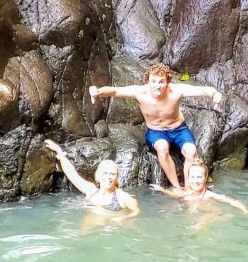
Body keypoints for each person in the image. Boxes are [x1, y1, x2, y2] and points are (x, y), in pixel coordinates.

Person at [89, 63, 223, 192]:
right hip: (156, 131)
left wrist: (215, 95)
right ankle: (177, 187)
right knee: (162, 148)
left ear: (167, 82)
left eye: (161, 82)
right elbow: (114, 91)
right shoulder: (140, 92)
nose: (157, 86)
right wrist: (98, 91)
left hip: (179, 129)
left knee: (191, 151)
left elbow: (203, 90)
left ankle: (189, 188)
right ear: (147, 81)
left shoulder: (176, 90)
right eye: (153, 81)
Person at [44, 139, 140, 218]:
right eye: (105, 173)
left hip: (109, 229)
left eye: (112, 174)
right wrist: (59, 151)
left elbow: (136, 211)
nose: (109, 177)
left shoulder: (122, 197)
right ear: (98, 176)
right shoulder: (91, 191)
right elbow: (71, 174)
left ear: (116, 177)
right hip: (89, 229)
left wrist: (123, 218)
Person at [152, 162, 248, 214]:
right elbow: (173, 194)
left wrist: (245, 210)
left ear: (205, 178)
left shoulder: (209, 195)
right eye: (193, 177)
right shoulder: (185, 192)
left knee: (210, 213)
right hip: (187, 216)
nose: (195, 181)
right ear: (189, 178)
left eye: (199, 177)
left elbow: (231, 201)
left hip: (208, 214)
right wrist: (161, 189)